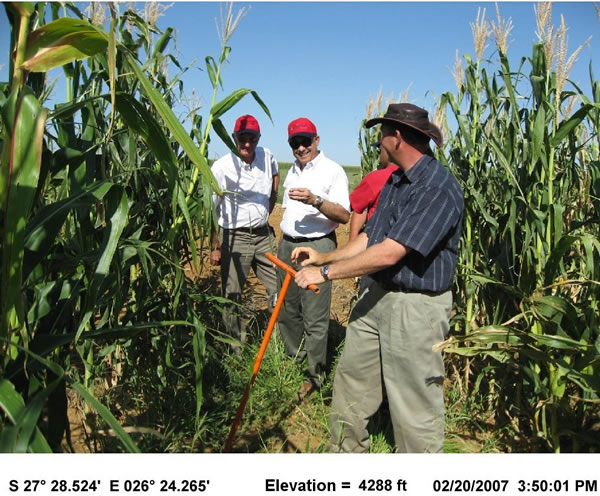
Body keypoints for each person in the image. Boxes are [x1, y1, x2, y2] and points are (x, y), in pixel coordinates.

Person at [293, 103, 464, 452]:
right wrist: (323, 255)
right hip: (377, 295)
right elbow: (370, 239)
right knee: (352, 384)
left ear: (397, 137)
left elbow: (391, 252)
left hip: (414, 307)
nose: (379, 142)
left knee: (414, 401)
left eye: (382, 134)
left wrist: (325, 273)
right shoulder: (397, 181)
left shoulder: (437, 187)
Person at [277, 117, 351, 400]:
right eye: (295, 143)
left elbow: (345, 216)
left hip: (317, 247)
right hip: (289, 244)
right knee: (288, 309)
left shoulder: (333, 171)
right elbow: (286, 212)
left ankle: (314, 377)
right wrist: (282, 240)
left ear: (317, 140)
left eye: (306, 141)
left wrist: (315, 201)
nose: (301, 147)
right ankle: (294, 360)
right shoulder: (293, 171)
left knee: (315, 316)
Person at [210, 114, 279, 351]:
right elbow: (211, 208)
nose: (247, 143)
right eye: (242, 138)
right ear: (234, 138)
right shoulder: (221, 167)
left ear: (258, 138)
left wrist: (267, 210)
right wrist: (214, 246)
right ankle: (234, 349)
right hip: (234, 237)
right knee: (232, 295)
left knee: (278, 289)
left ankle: (275, 342)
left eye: (252, 138)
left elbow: (275, 177)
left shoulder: (267, 156)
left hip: (263, 236)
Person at [349, 141, 399, 240]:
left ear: (387, 151)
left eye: (380, 151)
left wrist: (352, 241)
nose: (379, 156)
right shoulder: (418, 176)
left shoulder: (376, 177)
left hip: (375, 238)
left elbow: (358, 209)